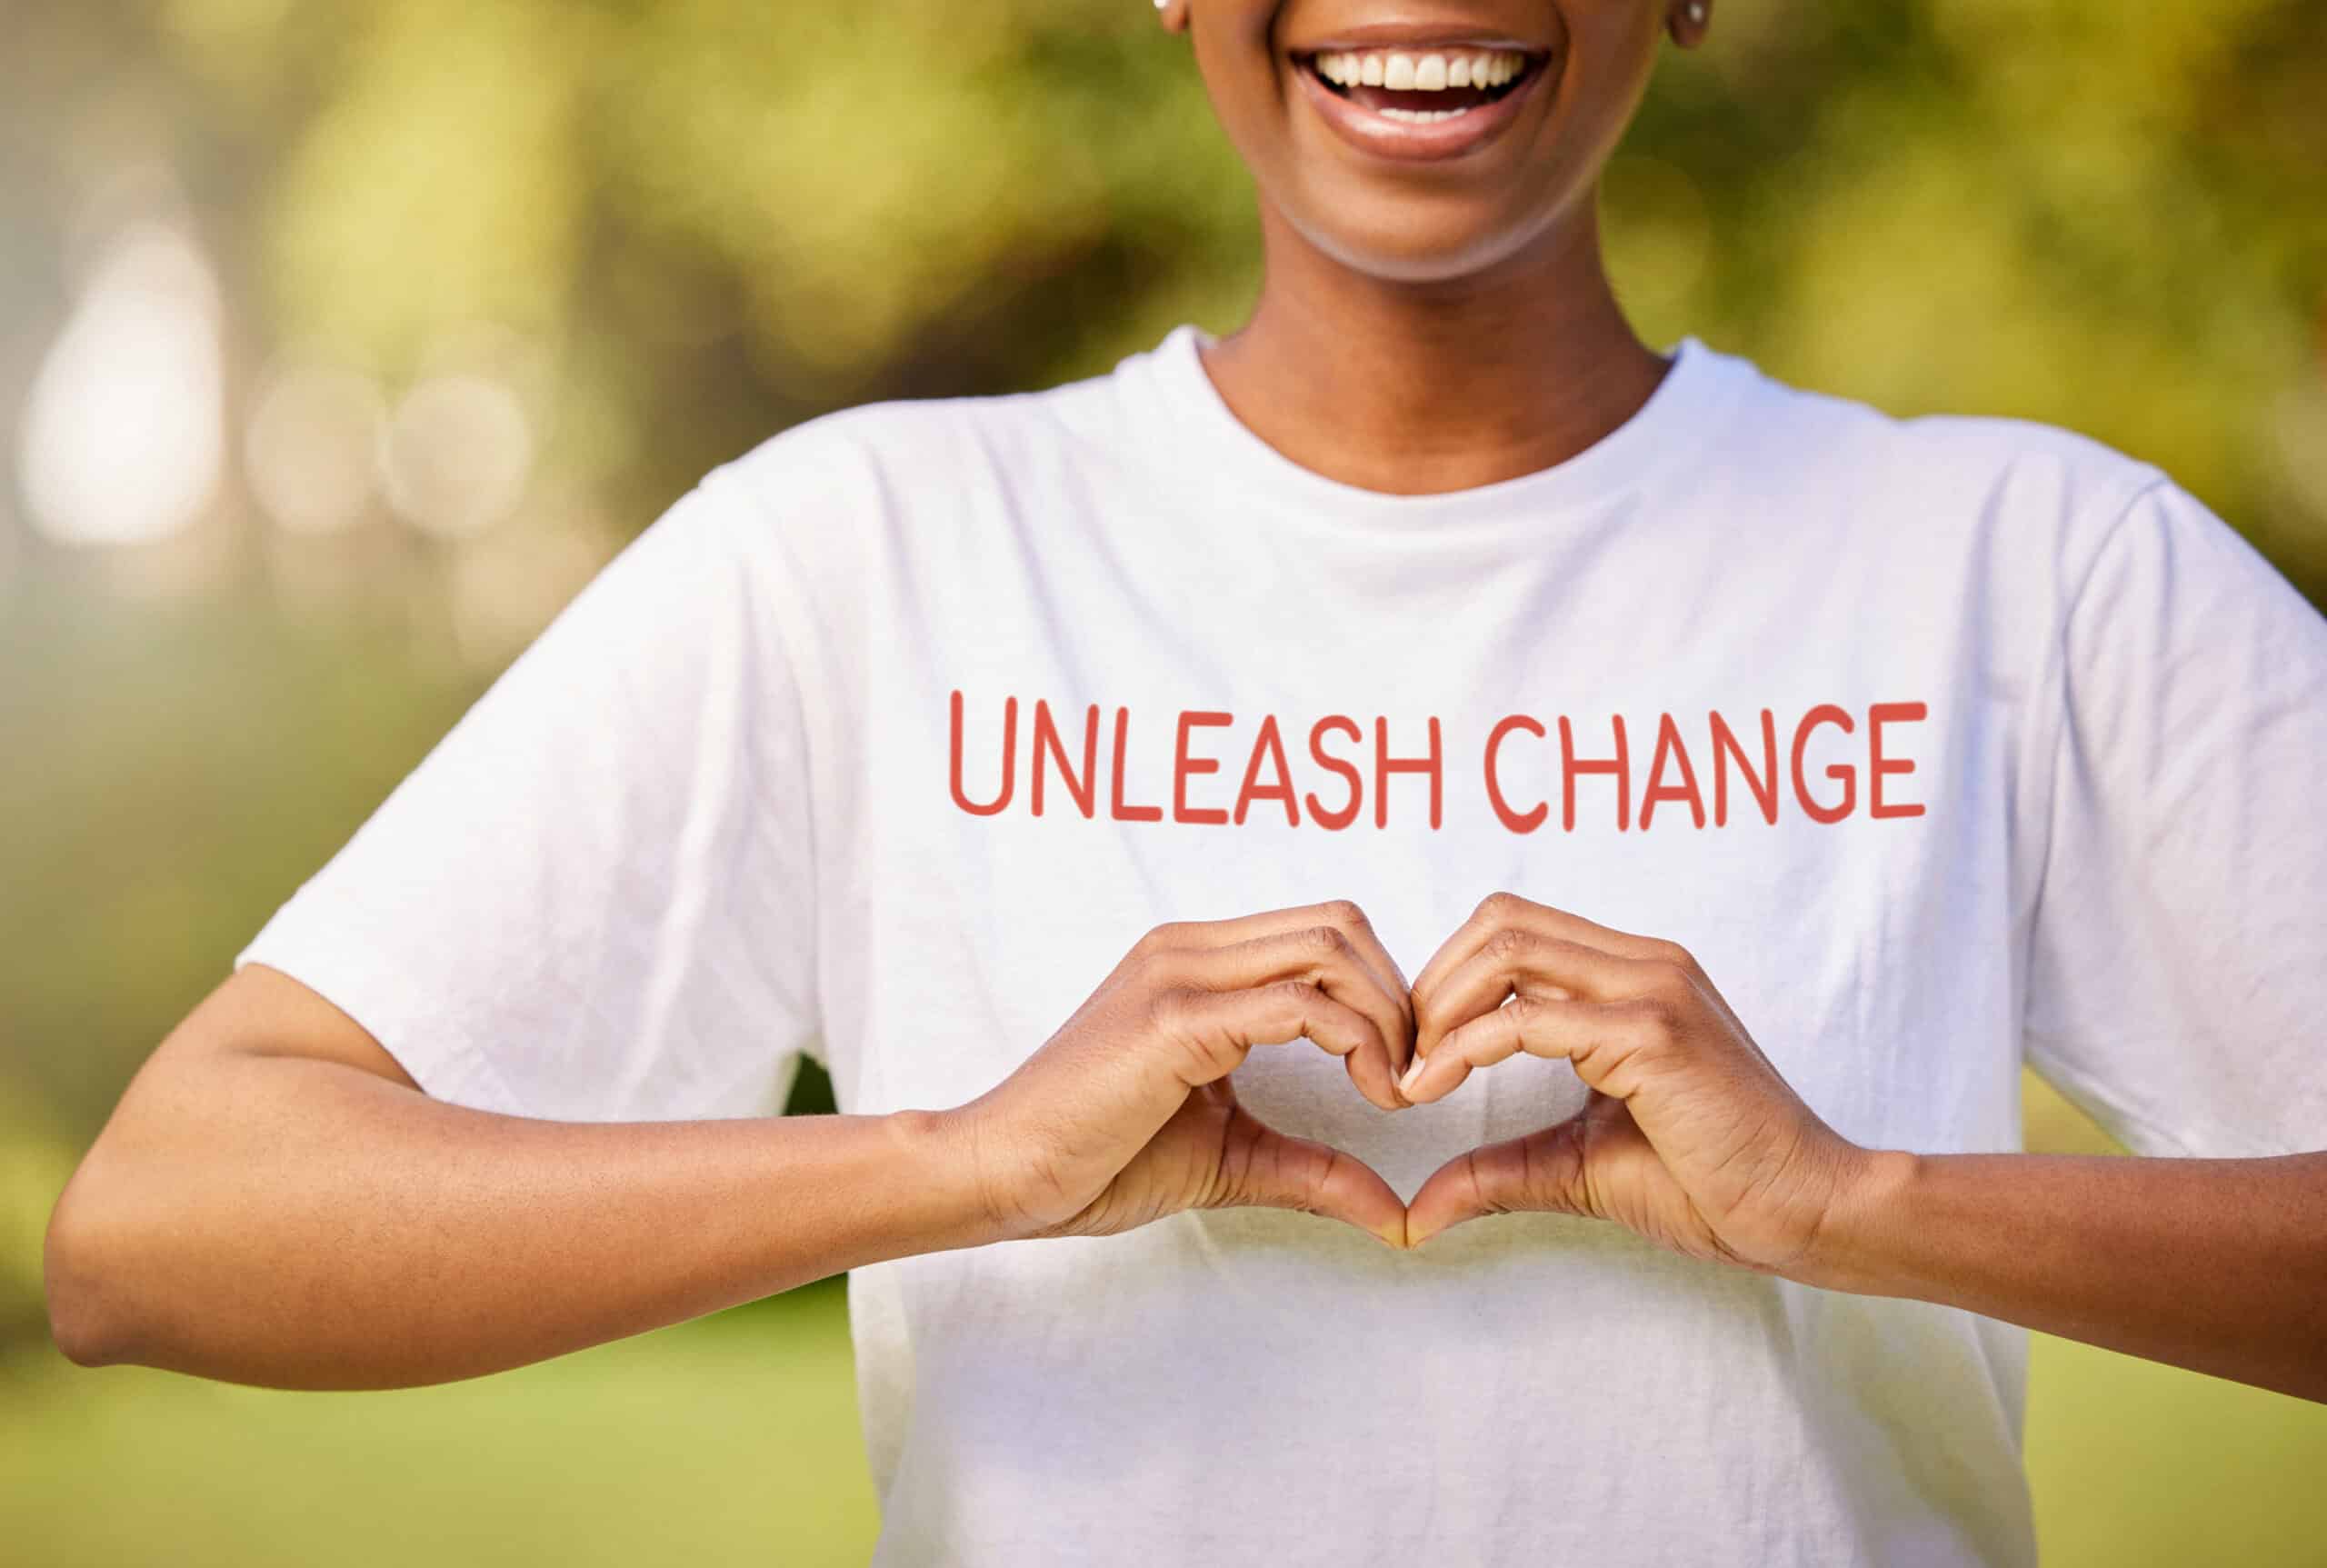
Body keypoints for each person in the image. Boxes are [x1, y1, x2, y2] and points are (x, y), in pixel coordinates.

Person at [42, 2, 2327, 1564]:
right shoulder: (868, 547)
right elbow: (165, 1225)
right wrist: (953, 1159)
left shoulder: (2028, 561)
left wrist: (1846, 1198)